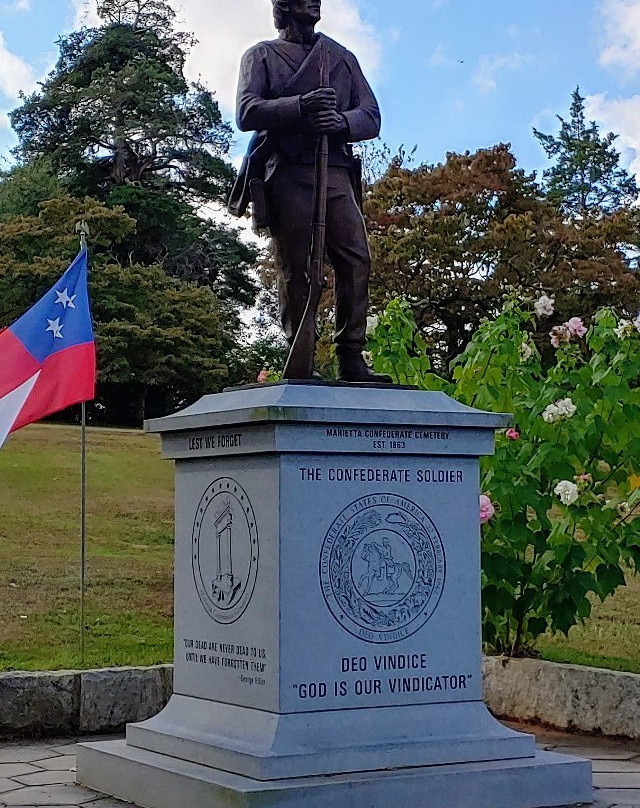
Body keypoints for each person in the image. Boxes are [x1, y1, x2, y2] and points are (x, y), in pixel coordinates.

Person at [229, 0, 391, 383]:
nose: (315, 1)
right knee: (296, 268)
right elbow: (247, 111)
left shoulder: (340, 58)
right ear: (283, 4)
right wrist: (301, 106)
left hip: (334, 171)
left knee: (356, 259)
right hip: (287, 170)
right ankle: (298, 353)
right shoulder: (261, 56)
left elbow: (370, 115)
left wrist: (340, 120)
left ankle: (351, 354)